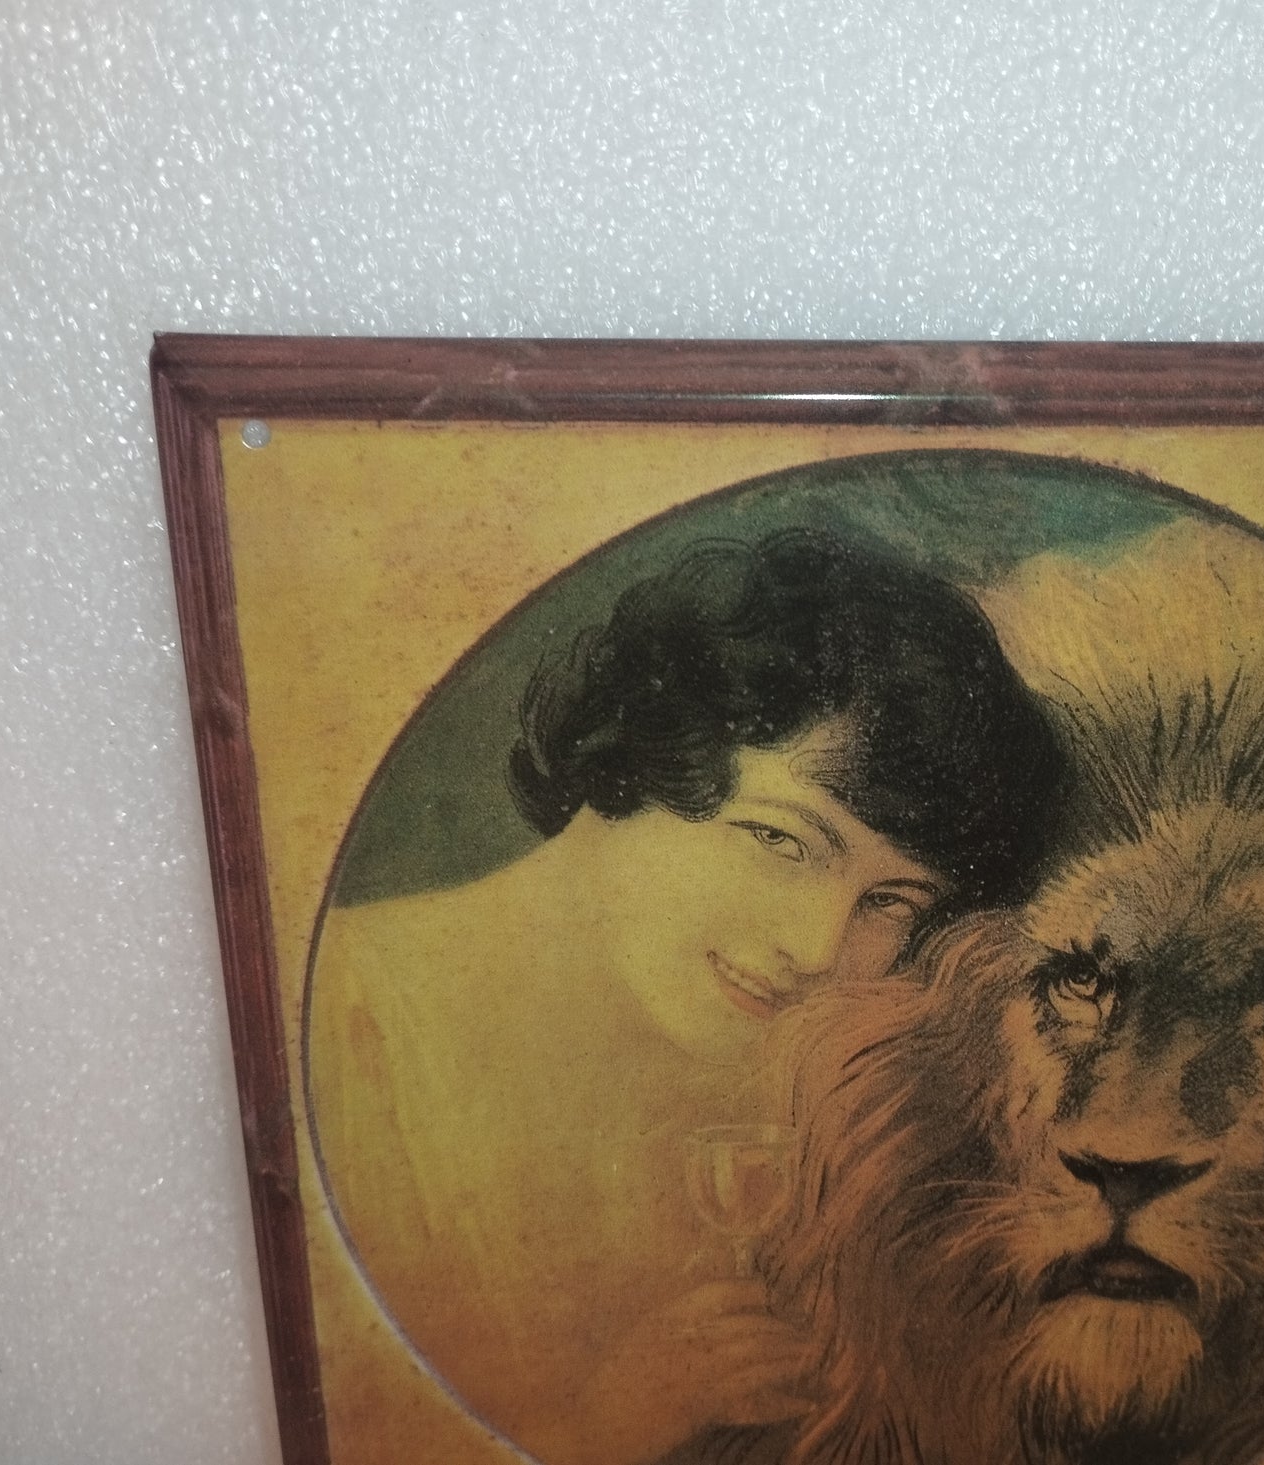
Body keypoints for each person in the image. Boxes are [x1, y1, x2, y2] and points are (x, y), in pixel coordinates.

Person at [306, 529, 1062, 1463]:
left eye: (889, 901)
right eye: (781, 840)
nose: (818, 947)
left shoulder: (793, 1107)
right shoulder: (348, 1024)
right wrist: (600, 1432)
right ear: (642, 757)